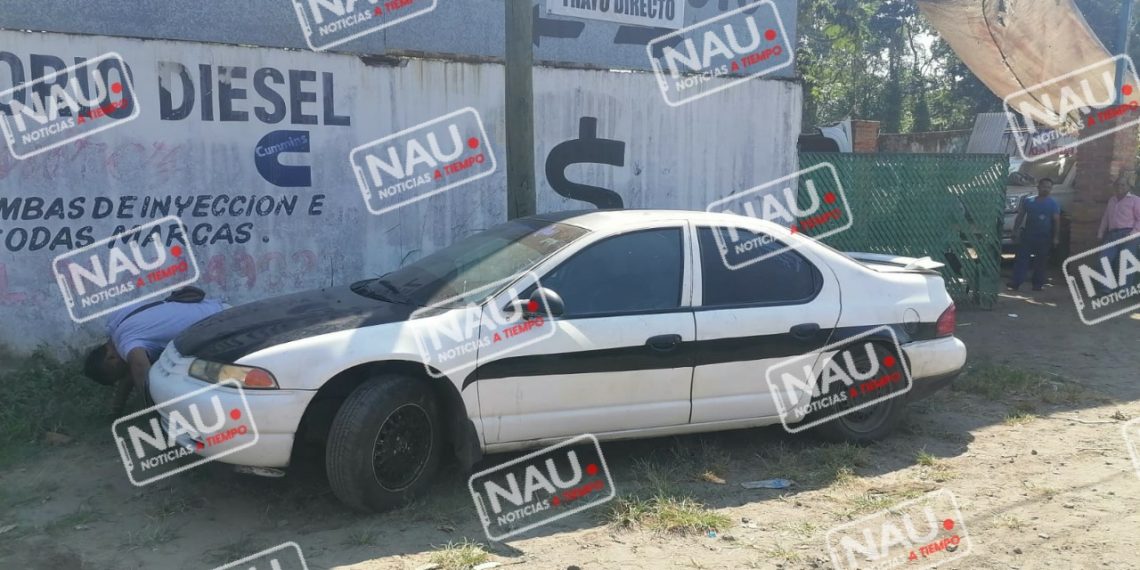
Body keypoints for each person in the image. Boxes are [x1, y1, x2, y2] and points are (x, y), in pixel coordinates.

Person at [84, 286, 226, 415]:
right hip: (215, 307)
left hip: (223, 326)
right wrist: (117, 410)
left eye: (116, 375)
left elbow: (143, 381)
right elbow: (130, 374)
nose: (121, 378)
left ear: (111, 359)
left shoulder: (130, 344)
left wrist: (155, 417)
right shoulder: (117, 322)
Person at [1008, 178, 1061, 292]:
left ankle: (1037, 284)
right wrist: (1015, 230)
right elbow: (1021, 216)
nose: (1046, 189)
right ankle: (1016, 283)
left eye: (1049, 187)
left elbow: (1056, 221)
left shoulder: (1053, 204)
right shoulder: (1028, 201)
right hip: (1028, 235)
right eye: (1044, 186)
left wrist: (1056, 237)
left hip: (1044, 237)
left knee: (1040, 262)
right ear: (1038, 187)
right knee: (1022, 259)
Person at [1096, 174, 1140, 291]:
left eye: (1123, 184)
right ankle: (1106, 289)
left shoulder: (1135, 200)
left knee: (1127, 264)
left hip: (1128, 233)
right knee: (1103, 259)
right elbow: (1106, 217)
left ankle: (1125, 291)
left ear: (1128, 187)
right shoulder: (1112, 199)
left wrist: (1132, 234)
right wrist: (1100, 233)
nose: (1120, 187)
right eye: (1118, 184)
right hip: (1112, 234)